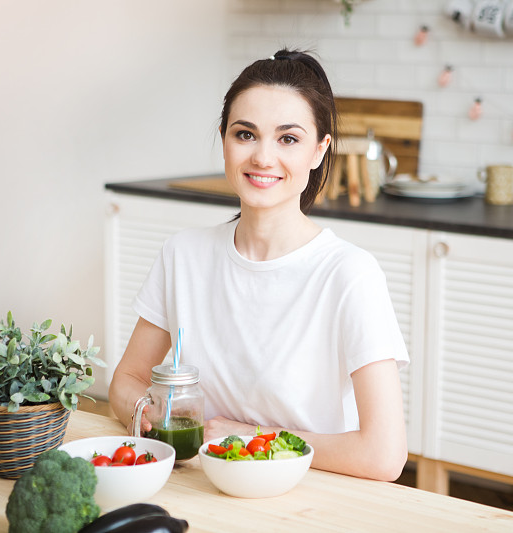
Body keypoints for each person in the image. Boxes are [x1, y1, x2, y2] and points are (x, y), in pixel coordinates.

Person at [110, 48, 409, 481]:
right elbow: (128, 380)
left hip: (311, 493)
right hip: (201, 483)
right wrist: (150, 413)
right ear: (224, 138)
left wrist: (249, 437)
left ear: (320, 150)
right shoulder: (183, 256)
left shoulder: (349, 274)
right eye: (245, 134)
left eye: (288, 138)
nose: (263, 158)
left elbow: (384, 455)